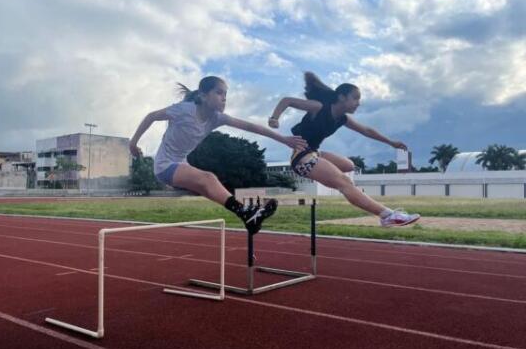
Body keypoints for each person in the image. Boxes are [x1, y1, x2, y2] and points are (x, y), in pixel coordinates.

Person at [129, 76, 308, 234]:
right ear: (203, 96)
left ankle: (249, 218)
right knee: (208, 178)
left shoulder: (217, 118)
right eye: (219, 93)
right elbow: (151, 116)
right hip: (164, 166)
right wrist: (133, 143)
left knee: (209, 189)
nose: (224, 98)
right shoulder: (183, 110)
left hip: (181, 164)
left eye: (226, 95)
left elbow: (252, 127)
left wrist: (283, 139)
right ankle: (247, 212)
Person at [268, 72, 420, 227]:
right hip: (301, 158)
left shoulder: (342, 119)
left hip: (314, 152)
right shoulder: (319, 107)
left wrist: (391, 142)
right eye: (355, 98)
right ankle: (387, 215)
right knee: (345, 182)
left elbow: (366, 130)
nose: (358, 103)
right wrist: (274, 118)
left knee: (349, 165)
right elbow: (287, 101)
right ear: (341, 97)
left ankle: (337, 180)